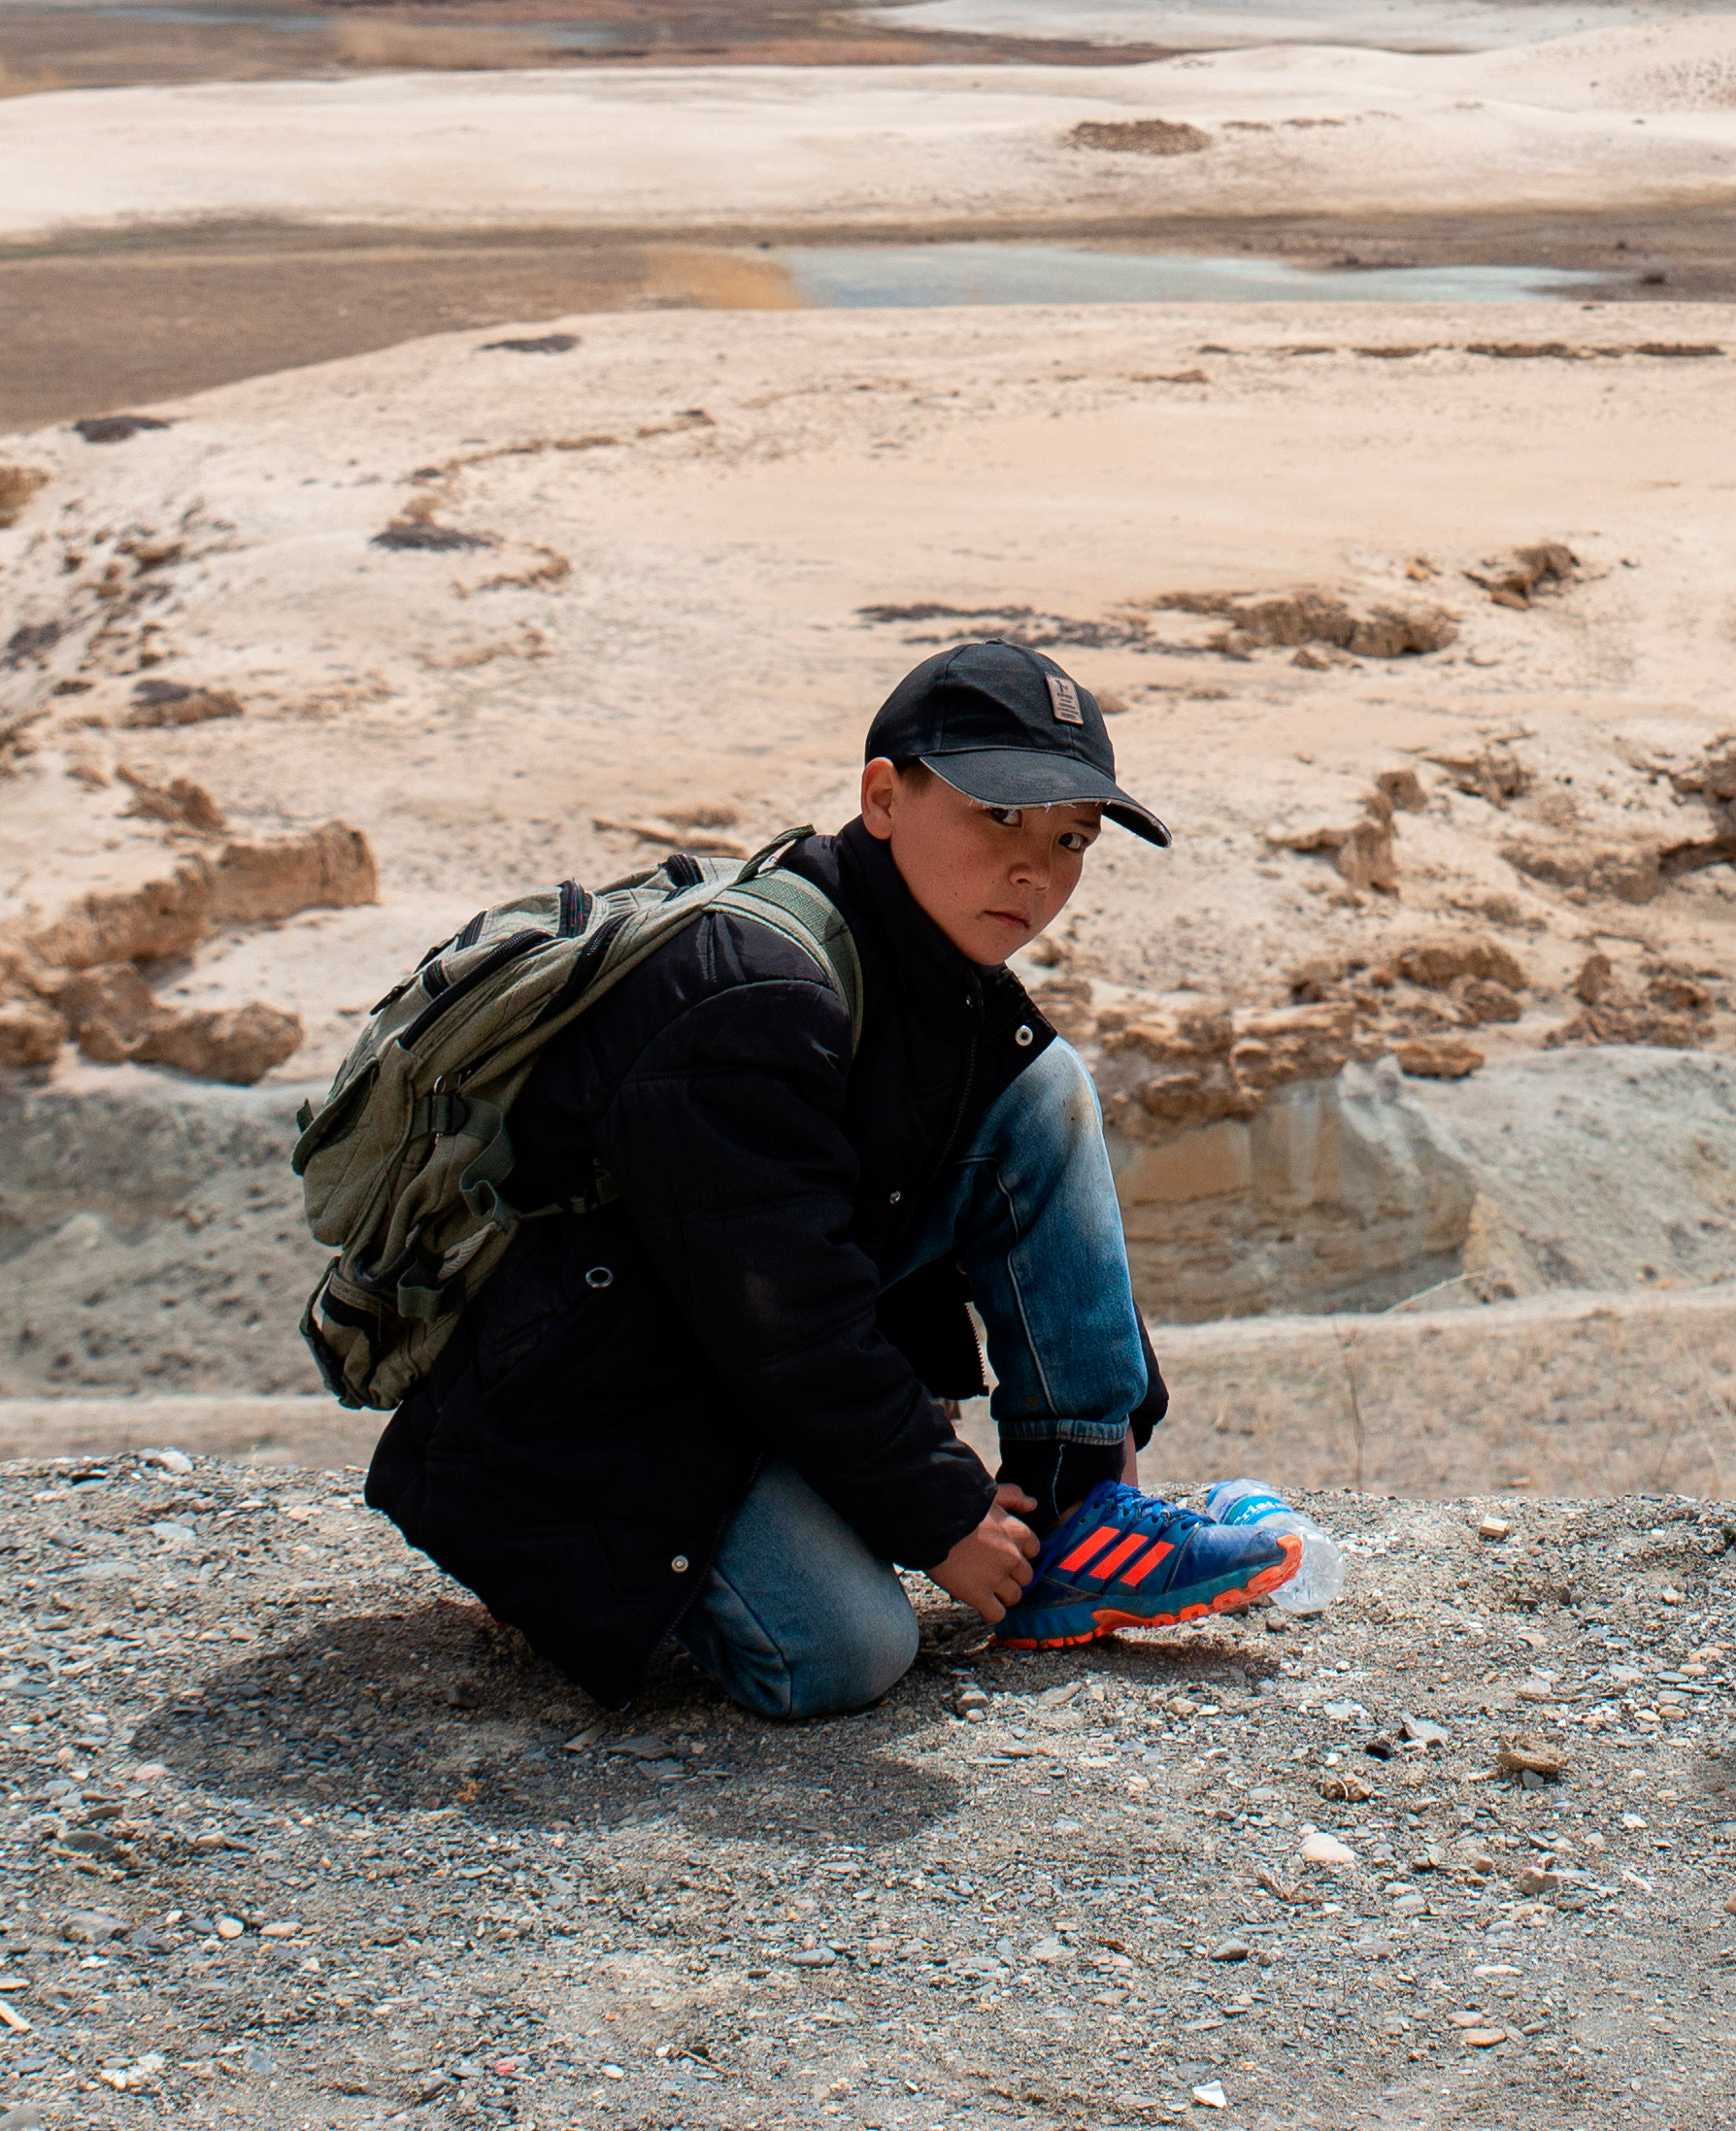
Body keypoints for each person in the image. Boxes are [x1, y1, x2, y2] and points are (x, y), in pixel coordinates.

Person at [360, 641, 1303, 1715]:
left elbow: (814, 1259)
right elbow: (783, 1312)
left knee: (1042, 1086)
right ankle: (563, 1564)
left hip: (714, 1334)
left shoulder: (933, 960)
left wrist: (927, 1467)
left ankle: (1082, 1510)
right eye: (999, 817)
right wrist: (939, 1513)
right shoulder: (749, 995)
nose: (1035, 870)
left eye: (1070, 837)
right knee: (845, 1651)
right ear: (882, 795)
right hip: (582, 1400)